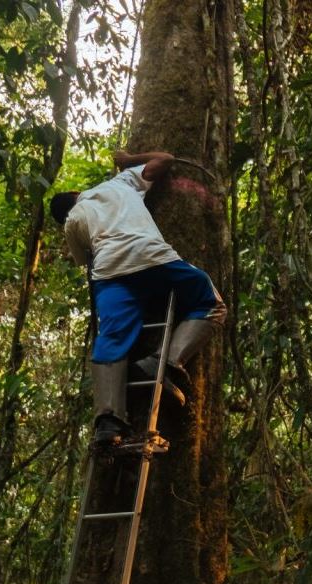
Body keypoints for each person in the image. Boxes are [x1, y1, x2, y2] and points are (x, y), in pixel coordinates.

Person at [49, 150, 226, 445]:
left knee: (112, 335)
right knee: (211, 304)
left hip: (110, 273)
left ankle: (108, 420)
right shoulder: (118, 183)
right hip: (150, 257)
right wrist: (129, 158)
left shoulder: (73, 221)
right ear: (76, 191)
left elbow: (85, 259)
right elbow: (166, 159)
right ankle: (166, 362)